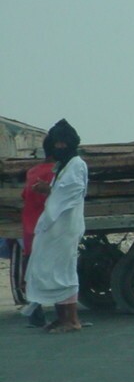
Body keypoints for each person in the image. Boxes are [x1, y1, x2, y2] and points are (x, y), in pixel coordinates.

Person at [25, 119, 88, 333]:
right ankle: (62, 318)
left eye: (63, 143)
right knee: (52, 270)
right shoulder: (62, 166)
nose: (59, 147)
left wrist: (53, 192)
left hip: (65, 226)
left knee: (64, 271)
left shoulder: (77, 164)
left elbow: (71, 191)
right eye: (56, 144)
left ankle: (72, 320)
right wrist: (48, 189)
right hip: (55, 226)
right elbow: (59, 190)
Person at [20, 134, 56, 327]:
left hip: (29, 227)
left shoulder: (32, 171)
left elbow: (25, 195)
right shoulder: (57, 172)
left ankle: (35, 311)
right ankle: (64, 313)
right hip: (47, 228)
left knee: (32, 270)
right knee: (57, 270)